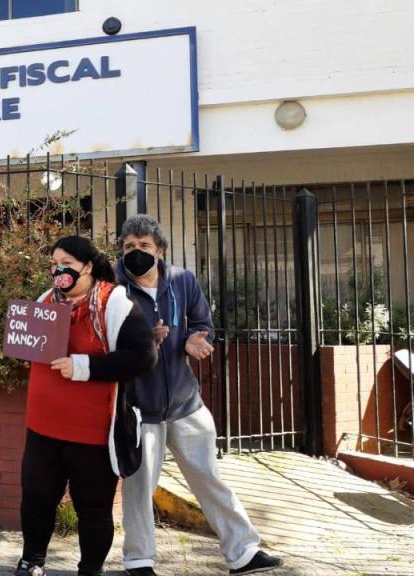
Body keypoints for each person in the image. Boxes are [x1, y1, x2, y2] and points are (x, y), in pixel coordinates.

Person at [115, 215, 282, 575]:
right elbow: (103, 340)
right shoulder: (112, 287)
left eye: (144, 245)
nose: (135, 252)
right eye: (129, 246)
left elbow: (204, 324)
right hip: (138, 405)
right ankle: (139, 560)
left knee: (208, 476)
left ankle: (243, 552)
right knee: (139, 485)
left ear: (160, 250)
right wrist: (142, 342)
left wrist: (195, 339)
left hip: (185, 400)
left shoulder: (182, 281)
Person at [14, 236, 157, 576]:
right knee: (36, 499)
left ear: (88, 266)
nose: (58, 271)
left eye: (66, 264)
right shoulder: (46, 300)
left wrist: (83, 366)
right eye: (54, 264)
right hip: (43, 428)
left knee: (93, 509)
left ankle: (90, 570)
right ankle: (32, 561)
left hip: (92, 434)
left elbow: (143, 357)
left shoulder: (114, 303)